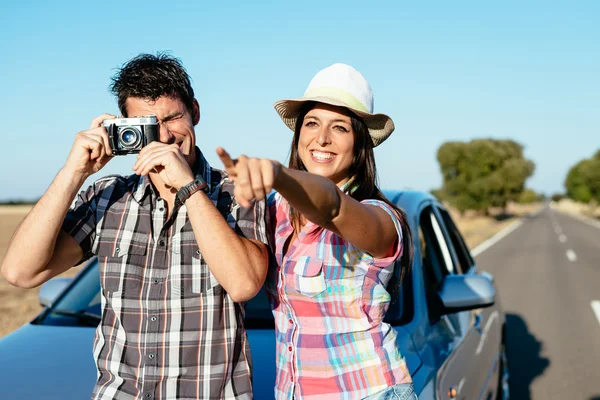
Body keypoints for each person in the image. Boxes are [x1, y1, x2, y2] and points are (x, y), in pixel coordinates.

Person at [0, 53, 270, 400]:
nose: (164, 136)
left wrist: (188, 189)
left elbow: (244, 283)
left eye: (173, 118)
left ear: (195, 112)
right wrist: (75, 172)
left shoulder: (237, 193)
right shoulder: (107, 198)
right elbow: (20, 272)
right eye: (147, 124)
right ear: (125, 128)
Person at [218, 63, 416, 399]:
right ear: (298, 137)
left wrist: (277, 173)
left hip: (369, 391)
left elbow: (332, 206)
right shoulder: (273, 212)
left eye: (339, 127)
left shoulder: (380, 217)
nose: (322, 138)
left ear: (360, 145)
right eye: (312, 123)